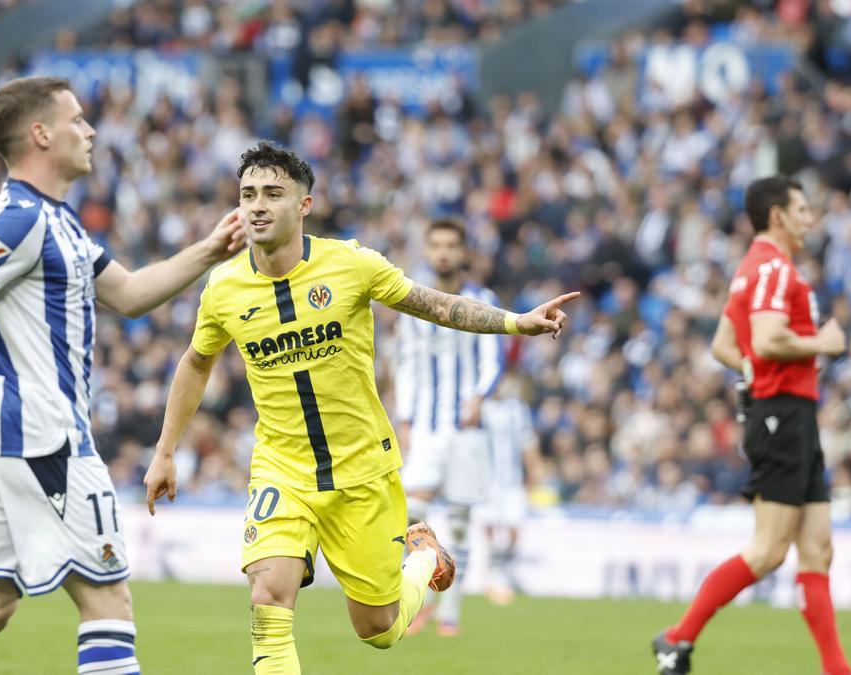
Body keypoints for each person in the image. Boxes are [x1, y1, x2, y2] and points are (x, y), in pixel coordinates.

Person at [144, 141, 579, 674]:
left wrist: (515, 321)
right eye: (248, 194)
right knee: (268, 596)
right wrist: (165, 451)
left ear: (303, 205)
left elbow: (437, 304)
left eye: (273, 194)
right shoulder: (224, 287)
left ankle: (425, 561)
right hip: (282, 468)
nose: (257, 205)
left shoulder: (351, 263)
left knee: (378, 630)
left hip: (363, 470)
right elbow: (195, 363)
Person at [0, 76, 246, 675]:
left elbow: (127, 293)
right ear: (41, 133)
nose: (90, 129)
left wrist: (208, 251)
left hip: (12, 439)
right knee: (108, 600)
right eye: (76, 119)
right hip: (46, 439)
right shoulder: (17, 219)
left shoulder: (61, 223)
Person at [651, 176, 851, 675]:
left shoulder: (757, 269)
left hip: (791, 414)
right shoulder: (770, 268)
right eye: (803, 209)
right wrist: (820, 345)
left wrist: (754, 372)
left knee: (817, 549)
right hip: (782, 416)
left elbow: (726, 343)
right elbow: (765, 340)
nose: (811, 218)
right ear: (777, 216)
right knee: (768, 552)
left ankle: (837, 670)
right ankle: (676, 637)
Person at [393, 218, 504, 637]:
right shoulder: (412, 300)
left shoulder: (483, 299)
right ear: (426, 249)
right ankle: (418, 595)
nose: (443, 252)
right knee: (411, 514)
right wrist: (403, 418)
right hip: (424, 425)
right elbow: (405, 363)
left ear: (462, 252)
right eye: (435, 244)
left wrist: (478, 396)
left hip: (466, 427)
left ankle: (450, 614)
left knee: (458, 518)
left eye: (450, 245)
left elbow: (495, 355)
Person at [477, 373, 539, 606]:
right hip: (488, 479)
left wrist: (533, 469)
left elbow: (528, 441)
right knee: (489, 525)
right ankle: (493, 573)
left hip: (512, 479)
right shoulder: (482, 408)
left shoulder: (517, 410)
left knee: (514, 526)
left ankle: (503, 568)